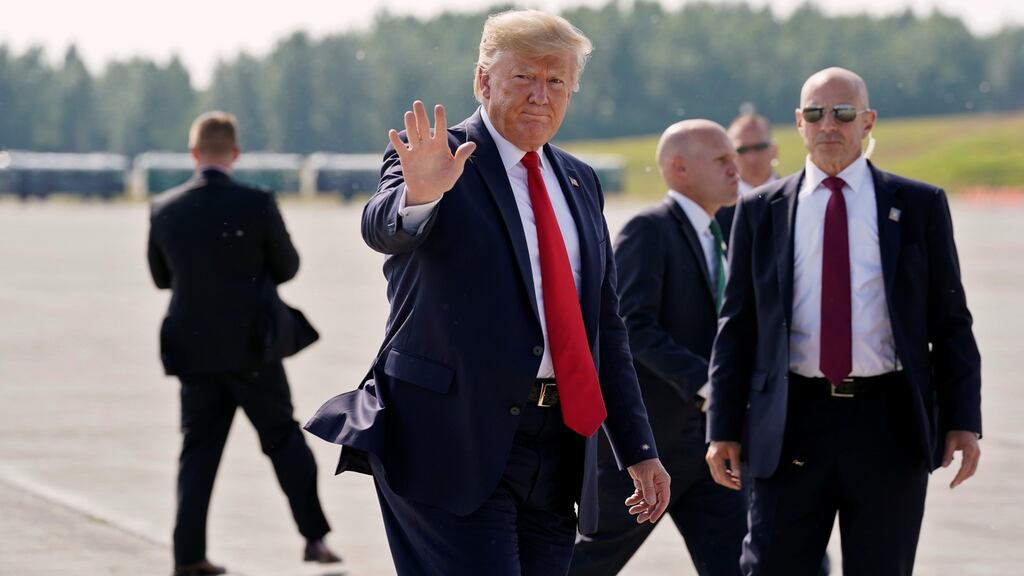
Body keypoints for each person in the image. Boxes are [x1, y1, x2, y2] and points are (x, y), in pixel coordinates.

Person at [305, 10, 669, 575]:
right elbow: (384, 226)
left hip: (556, 448)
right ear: (483, 80)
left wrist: (638, 449)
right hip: (450, 439)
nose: (539, 96)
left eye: (556, 81)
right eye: (523, 77)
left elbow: (605, 327)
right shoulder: (438, 157)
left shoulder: (579, 180)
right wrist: (420, 195)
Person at [705, 67, 982, 575]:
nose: (828, 124)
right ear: (799, 123)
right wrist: (721, 426)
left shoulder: (918, 205)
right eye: (815, 113)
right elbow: (737, 324)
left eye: (843, 112)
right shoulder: (761, 211)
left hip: (887, 424)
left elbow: (950, 321)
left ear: (868, 120)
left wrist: (963, 419)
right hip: (789, 422)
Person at [147, 111, 341, 576]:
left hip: (193, 349)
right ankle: (314, 538)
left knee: (198, 454)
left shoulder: (165, 207)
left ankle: (187, 557)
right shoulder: (256, 202)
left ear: (194, 154)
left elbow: (159, 278)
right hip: (253, 347)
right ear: (234, 153)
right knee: (284, 441)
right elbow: (289, 266)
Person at [569, 120, 745, 575]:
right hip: (649, 446)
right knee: (588, 562)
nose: (735, 168)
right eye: (722, 159)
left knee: (739, 564)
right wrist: (708, 383)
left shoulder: (720, 232)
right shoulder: (650, 230)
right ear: (680, 168)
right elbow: (631, 326)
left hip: (708, 449)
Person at [716, 113, 779, 241]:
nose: (752, 158)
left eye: (759, 147)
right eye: (742, 150)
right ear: (729, 156)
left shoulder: (798, 199)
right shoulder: (715, 211)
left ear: (775, 150)